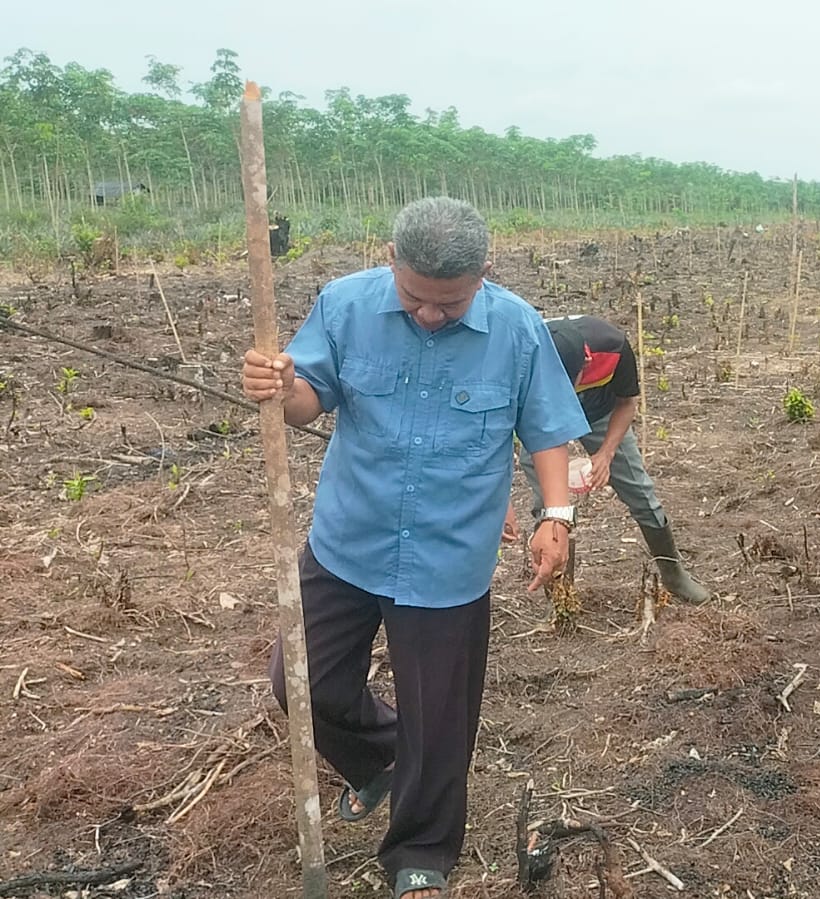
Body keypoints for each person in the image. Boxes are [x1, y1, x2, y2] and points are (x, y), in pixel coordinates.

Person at [242, 197, 589, 899]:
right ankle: (380, 760)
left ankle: (420, 850)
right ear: (389, 259)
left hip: (447, 553)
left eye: (450, 303)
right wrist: (282, 388)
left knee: (440, 717)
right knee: (302, 681)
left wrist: (557, 515)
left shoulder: (518, 331)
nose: (430, 313)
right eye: (416, 298)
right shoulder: (344, 305)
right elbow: (311, 398)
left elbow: (546, 431)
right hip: (348, 538)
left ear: (485, 273)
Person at [503, 313, 711, 603]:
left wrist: (606, 453)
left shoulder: (612, 348)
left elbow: (627, 404)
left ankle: (674, 575)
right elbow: (500, 426)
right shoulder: (524, 353)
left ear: (586, 363)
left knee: (641, 492)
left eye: (567, 381)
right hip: (543, 419)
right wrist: (501, 497)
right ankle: (559, 595)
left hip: (601, 413)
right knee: (548, 509)